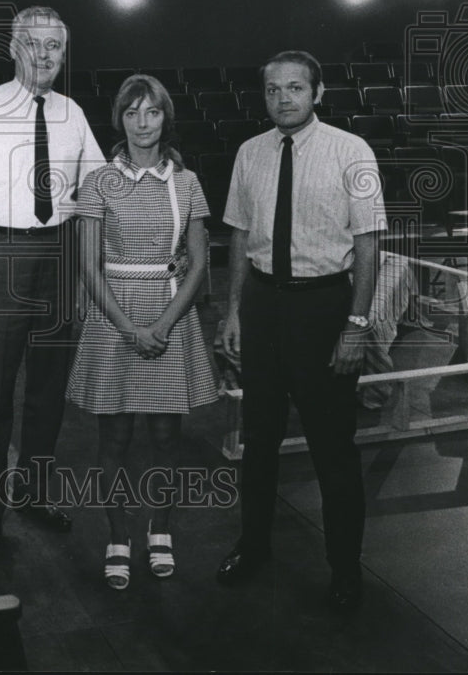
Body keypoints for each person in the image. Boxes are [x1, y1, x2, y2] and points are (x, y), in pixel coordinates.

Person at [216, 50, 386, 614]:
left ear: (316, 92)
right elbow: (239, 237)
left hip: (324, 308)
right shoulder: (249, 153)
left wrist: (356, 325)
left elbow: (367, 245)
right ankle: (254, 547)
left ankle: (344, 569)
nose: (282, 98)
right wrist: (234, 311)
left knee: (332, 449)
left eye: (294, 88)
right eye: (272, 89)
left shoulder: (351, 151)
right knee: (258, 441)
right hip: (264, 305)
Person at [0, 6, 106, 562]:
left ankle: (32, 493)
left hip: (56, 257)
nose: (44, 54)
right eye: (33, 44)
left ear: (64, 52)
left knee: (47, 392)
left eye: (54, 46)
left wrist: (91, 276)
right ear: (14, 47)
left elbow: (94, 197)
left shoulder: (73, 113)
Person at [66, 75, 220, 589]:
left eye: (151, 112)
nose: (142, 123)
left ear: (165, 117)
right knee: (114, 436)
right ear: (120, 120)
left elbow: (198, 265)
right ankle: (117, 535)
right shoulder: (97, 183)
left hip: (170, 312)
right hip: (114, 316)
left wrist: (162, 323)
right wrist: (130, 327)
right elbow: (89, 267)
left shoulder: (188, 182)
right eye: (132, 113)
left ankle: (161, 529)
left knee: (165, 437)